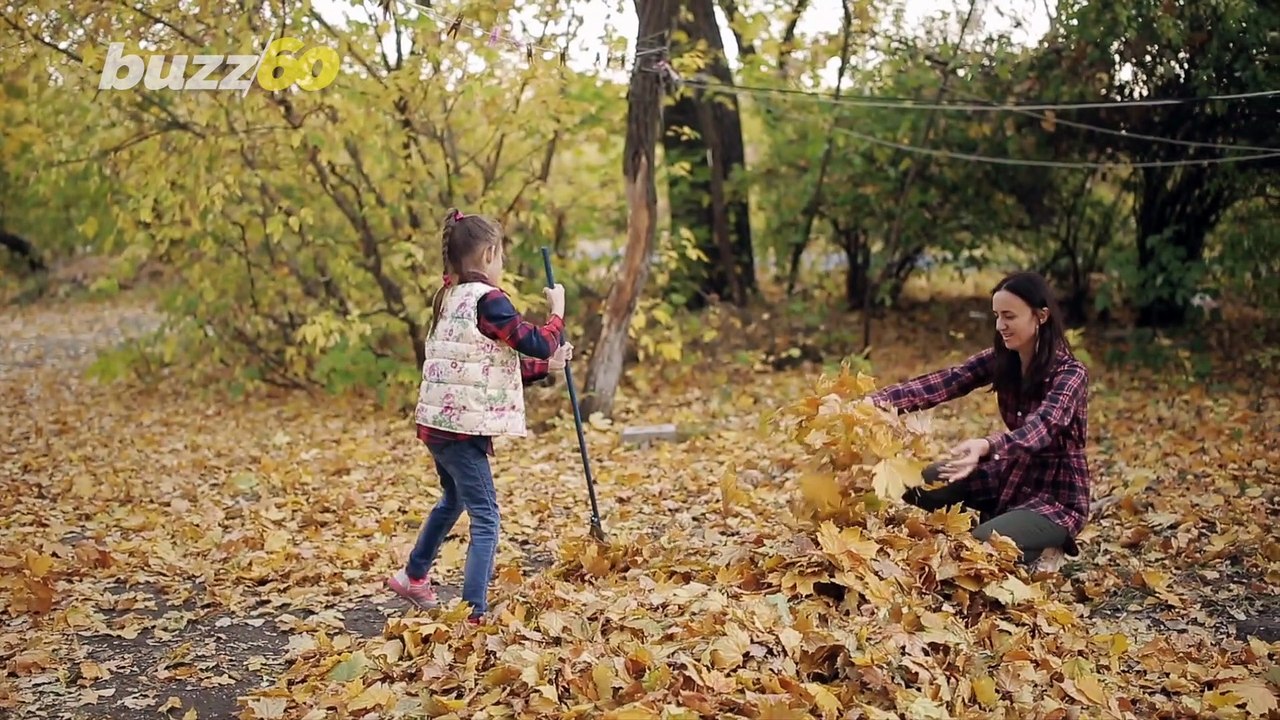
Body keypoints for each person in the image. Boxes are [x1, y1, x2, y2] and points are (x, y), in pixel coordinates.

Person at [386, 208, 573, 624]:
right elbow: (537, 342)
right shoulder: (489, 301)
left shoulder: (449, 298)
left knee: (454, 499)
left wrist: (548, 367)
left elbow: (485, 371)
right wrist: (557, 313)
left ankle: (413, 576)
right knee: (486, 516)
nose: (502, 264)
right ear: (489, 254)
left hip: (439, 425)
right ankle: (474, 613)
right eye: (501, 255)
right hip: (460, 431)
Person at [867, 271, 1090, 567]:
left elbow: (1044, 425)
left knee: (980, 548)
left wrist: (986, 446)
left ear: (1041, 316)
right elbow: (948, 381)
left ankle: (1048, 546)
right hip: (1008, 478)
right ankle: (1005, 523)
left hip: (1055, 495)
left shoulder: (1070, 373)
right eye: (997, 316)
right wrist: (875, 402)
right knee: (912, 483)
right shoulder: (1004, 358)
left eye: (1009, 316)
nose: (1000, 326)